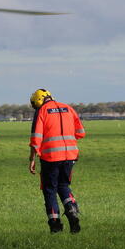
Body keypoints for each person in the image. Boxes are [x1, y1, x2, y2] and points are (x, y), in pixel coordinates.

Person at [28, 89, 86, 234]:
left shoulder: (42, 111)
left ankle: (55, 225)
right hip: (70, 156)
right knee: (64, 185)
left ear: (38, 101)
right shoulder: (69, 108)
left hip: (51, 157)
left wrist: (32, 159)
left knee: (49, 190)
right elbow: (80, 132)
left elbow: (36, 138)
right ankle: (72, 209)